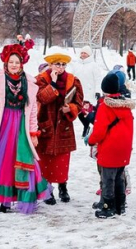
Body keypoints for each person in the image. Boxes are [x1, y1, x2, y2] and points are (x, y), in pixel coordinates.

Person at [0, 24, 51, 213]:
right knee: (3, 161)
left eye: (17, 62)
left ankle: (24, 196)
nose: (14, 65)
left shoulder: (30, 83)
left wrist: (33, 131)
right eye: (11, 62)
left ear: (22, 64)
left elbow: (31, 111)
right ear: (6, 63)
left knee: (23, 161)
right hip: (1, 126)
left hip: (20, 127)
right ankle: (5, 200)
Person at [35, 52, 84, 205]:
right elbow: (42, 97)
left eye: (63, 65)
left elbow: (79, 103)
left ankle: (63, 187)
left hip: (64, 127)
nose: (61, 67)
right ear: (50, 65)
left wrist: (70, 108)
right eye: (57, 64)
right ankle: (47, 191)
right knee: (45, 161)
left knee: (62, 161)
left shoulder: (73, 80)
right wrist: (54, 84)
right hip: (45, 126)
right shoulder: (41, 79)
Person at [88, 72, 135, 219]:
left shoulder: (105, 107)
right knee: (119, 178)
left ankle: (108, 207)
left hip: (109, 149)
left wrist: (91, 140)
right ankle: (120, 205)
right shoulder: (126, 106)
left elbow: (99, 130)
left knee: (107, 178)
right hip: (124, 149)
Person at [73, 46, 102, 137]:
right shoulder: (76, 64)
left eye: (85, 53)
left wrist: (97, 91)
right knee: (79, 112)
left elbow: (98, 79)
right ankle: (86, 126)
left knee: (87, 112)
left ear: (89, 54)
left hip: (89, 93)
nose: (83, 54)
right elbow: (73, 78)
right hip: (78, 93)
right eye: (82, 53)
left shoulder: (93, 65)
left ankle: (97, 129)